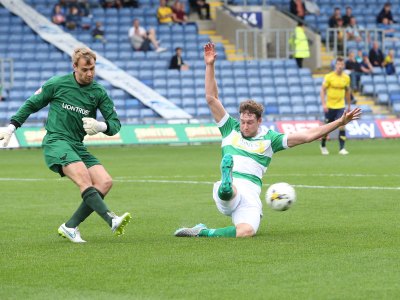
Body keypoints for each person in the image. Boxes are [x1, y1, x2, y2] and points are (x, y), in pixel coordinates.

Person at [173, 43, 361, 238]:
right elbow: (211, 98)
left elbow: (306, 136)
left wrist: (339, 121)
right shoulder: (230, 128)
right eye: (243, 121)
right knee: (229, 192)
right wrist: (210, 65)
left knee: (246, 232)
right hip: (234, 184)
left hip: (251, 191)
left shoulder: (270, 139)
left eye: (250, 122)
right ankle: (226, 183)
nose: (245, 126)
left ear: (259, 121)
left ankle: (202, 232)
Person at [0, 47, 132, 243]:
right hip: (56, 141)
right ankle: (111, 219)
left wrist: (100, 125)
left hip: (77, 145)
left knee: (105, 182)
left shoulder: (98, 92)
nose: (89, 74)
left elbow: (115, 125)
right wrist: (11, 127)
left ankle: (70, 226)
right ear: (74, 67)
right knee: (84, 178)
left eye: (92, 69)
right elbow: (31, 104)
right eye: (85, 70)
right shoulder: (57, 84)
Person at [320, 57, 352, 156]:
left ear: (344, 65)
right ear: (335, 65)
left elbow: (347, 92)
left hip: (340, 106)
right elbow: (322, 90)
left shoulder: (346, 78)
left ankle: (342, 148)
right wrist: (324, 104)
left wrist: (349, 105)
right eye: (338, 64)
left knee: (342, 126)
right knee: (327, 129)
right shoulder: (329, 76)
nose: (340, 66)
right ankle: (323, 145)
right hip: (329, 107)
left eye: (342, 64)